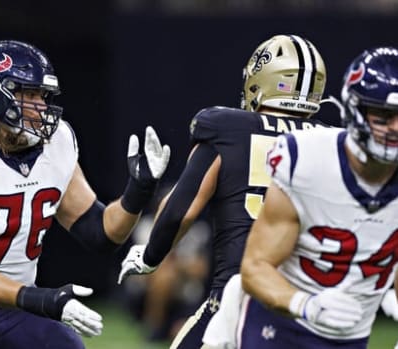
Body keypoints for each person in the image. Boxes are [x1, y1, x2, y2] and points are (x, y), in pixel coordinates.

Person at [0, 39, 171, 349]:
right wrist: (45, 300)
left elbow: (100, 233)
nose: (41, 106)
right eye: (29, 94)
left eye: (43, 95)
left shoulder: (57, 142)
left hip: (11, 310)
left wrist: (138, 191)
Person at [117, 34, 330, 348]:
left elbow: (180, 211)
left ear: (261, 81)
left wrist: (150, 255)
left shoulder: (227, 130)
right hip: (312, 305)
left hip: (240, 298)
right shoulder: (335, 144)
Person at [237, 46, 398, 348]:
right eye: (385, 115)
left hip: (351, 337)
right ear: (355, 109)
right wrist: (305, 304)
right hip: (280, 325)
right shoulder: (308, 161)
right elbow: (255, 267)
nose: (396, 127)